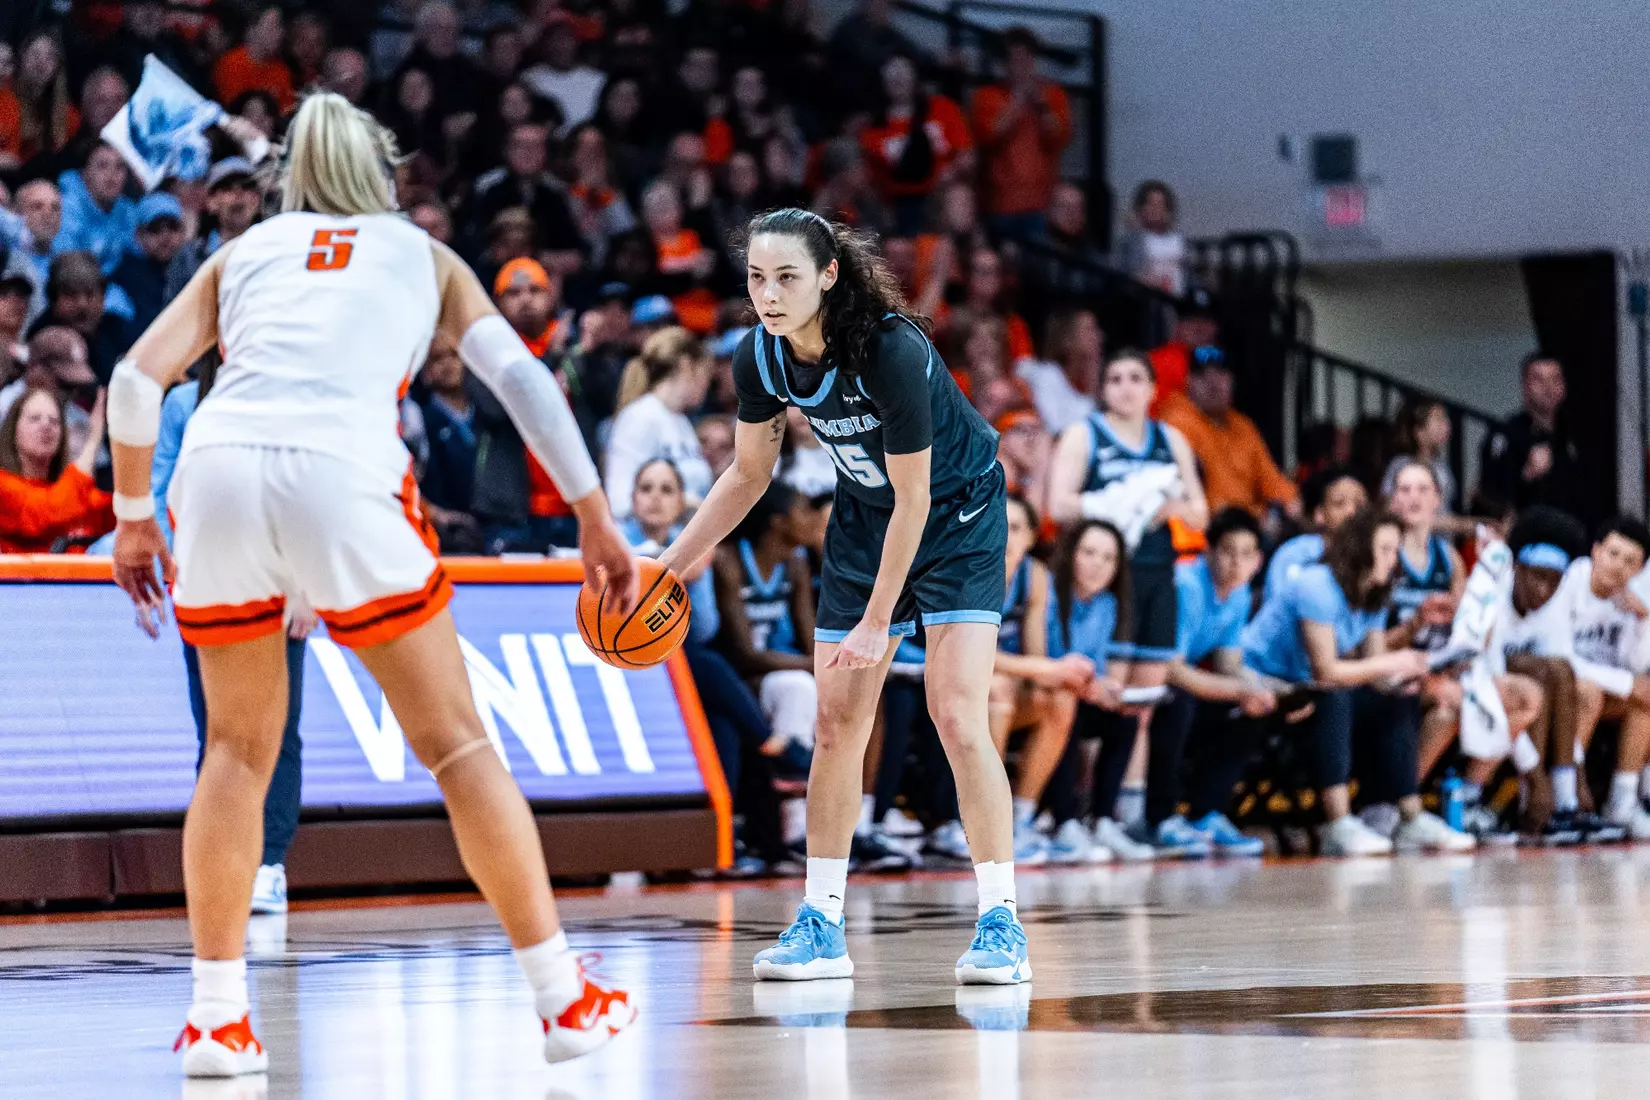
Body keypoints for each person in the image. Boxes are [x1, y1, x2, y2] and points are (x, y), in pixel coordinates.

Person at [106, 94, 638, 1077]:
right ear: (383, 172)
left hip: (216, 470)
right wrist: (594, 514)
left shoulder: (243, 254)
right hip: (342, 467)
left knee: (233, 752)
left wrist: (134, 513)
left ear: (291, 176)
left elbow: (137, 381)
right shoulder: (421, 254)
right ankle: (564, 997)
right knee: (459, 744)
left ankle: (218, 1020)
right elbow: (523, 379)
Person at [657, 208, 1032, 985]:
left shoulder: (890, 348)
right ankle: (821, 924)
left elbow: (916, 498)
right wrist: (669, 565)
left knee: (957, 713)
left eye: (786, 277)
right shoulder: (759, 355)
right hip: (866, 518)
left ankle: (1001, 922)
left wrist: (875, 620)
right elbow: (748, 474)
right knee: (834, 723)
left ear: (829, 276)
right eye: (757, 278)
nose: (768, 294)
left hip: (956, 516)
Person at [1237, 510, 1473, 856]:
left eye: (1395, 551)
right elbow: (1326, 671)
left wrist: (1405, 680)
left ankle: (1409, 817)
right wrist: (1391, 662)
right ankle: (1338, 824)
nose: (1395, 560)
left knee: (1396, 700)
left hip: (1308, 687)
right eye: (1386, 550)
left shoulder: (1374, 592)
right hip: (1262, 682)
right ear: (1360, 550)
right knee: (1335, 695)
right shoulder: (1317, 585)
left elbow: (1374, 669)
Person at [1048, 351, 1209, 735]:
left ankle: (1133, 777)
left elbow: (1200, 513)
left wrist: (1167, 506)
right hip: (1108, 580)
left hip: (1158, 574)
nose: (1126, 387)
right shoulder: (1083, 434)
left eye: (1136, 378)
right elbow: (1058, 506)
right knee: (1104, 697)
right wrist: (1121, 501)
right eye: (1115, 379)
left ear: (1153, 389)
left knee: (1143, 707)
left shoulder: (1170, 438)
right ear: (1103, 389)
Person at [1145, 508, 1273, 857]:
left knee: (1253, 710)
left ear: (1258, 561)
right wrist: (1240, 690)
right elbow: (1170, 669)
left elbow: (1228, 663)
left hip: (1188, 681)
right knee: (1179, 703)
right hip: (1153, 679)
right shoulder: (1186, 585)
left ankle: (1206, 814)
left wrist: (1264, 689)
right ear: (1209, 551)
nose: (1236, 563)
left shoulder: (1240, 593)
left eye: (1246, 554)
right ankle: (1160, 817)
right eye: (1228, 552)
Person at [987, 496, 1095, 863]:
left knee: (1060, 697)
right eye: (997, 524)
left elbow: (1036, 657)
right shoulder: (966, 568)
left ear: (1032, 537)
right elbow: (971, 658)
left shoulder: (1033, 576)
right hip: (944, 686)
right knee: (998, 689)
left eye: (1016, 528)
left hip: (1001, 683)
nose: (1005, 535)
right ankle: (986, 821)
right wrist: (1047, 670)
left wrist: (1070, 676)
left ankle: (1021, 818)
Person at [1563, 518, 1650, 839]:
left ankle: (1623, 801)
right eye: (1613, 554)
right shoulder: (1570, 582)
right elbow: (1561, 658)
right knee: (1590, 691)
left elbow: (1634, 664)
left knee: (1646, 698)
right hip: (1559, 688)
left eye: (1630, 561)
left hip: (1601, 691)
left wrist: (1643, 620)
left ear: (1639, 570)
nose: (1618, 566)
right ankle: (1566, 797)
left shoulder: (1628, 598)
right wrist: (1626, 684)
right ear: (1595, 551)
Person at [1158, 345, 1301, 521]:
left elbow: (1272, 482)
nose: (1212, 382)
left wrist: (1291, 502)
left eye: (1220, 373)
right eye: (1202, 375)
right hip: (1204, 524)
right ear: (1188, 382)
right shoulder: (1178, 418)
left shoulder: (1242, 425)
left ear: (1232, 381)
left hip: (1247, 523)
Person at [968, 27, 1070, 240]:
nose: (1022, 67)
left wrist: (1042, 107)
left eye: (1027, 59)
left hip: (1042, 202)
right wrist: (1017, 101)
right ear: (1004, 64)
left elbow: (1059, 138)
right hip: (1000, 203)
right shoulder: (987, 96)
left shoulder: (1053, 94)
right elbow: (989, 136)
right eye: (1015, 60)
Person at [604, 326, 715, 519]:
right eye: (705, 374)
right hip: (643, 537)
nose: (707, 385)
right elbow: (619, 499)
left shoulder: (681, 422)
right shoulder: (641, 416)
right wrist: (683, 504)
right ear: (686, 365)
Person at [0, 384, 110, 552]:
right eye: (34, 418)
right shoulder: (3, 485)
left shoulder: (73, 490)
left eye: (54, 421)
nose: (46, 425)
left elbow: (120, 514)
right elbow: (50, 512)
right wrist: (94, 440)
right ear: (13, 430)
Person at [1476, 353, 1581, 517]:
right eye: (1539, 380)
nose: (1548, 388)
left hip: (1569, 527)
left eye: (1555, 379)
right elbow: (1489, 493)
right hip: (1523, 528)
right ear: (1525, 386)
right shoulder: (1505, 435)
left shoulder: (1573, 434)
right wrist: (1526, 475)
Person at [1264, 467, 1369, 600]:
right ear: (1320, 514)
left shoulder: (1376, 554)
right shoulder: (1293, 556)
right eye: (1339, 503)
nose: (1351, 512)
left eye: (1359, 505)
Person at [110, 193, 188, 335]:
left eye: (172, 227)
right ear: (138, 235)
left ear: (183, 232)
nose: (165, 237)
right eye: (155, 229)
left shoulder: (193, 268)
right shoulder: (125, 277)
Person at [55, 142, 137, 275]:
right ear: (84, 173)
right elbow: (66, 266)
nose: (112, 174)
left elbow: (138, 251)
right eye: (102, 166)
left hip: (110, 282)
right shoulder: (65, 208)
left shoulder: (127, 209)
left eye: (120, 166)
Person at [1116, 180, 1187, 296]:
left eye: (1160, 204)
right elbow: (1126, 274)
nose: (1155, 209)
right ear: (1141, 208)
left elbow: (1187, 276)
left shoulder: (1178, 240)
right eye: (1151, 204)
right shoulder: (1132, 241)